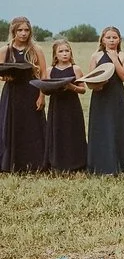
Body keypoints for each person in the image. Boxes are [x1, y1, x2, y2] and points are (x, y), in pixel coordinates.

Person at [85, 26, 124, 177]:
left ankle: (123, 166)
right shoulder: (95, 56)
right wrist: (97, 85)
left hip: (117, 97)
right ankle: (100, 167)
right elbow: (90, 81)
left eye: (114, 37)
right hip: (100, 97)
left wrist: (114, 59)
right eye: (108, 37)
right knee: (101, 130)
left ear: (119, 39)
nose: (111, 40)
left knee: (118, 128)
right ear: (102, 39)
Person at [0, 16, 48, 173]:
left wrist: (42, 96)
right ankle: (11, 164)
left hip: (32, 91)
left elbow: (43, 75)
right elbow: (1, 73)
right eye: (20, 30)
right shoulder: (5, 50)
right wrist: (5, 76)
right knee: (11, 127)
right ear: (13, 31)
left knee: (33, 128)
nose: (23, 33)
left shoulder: (36, 50)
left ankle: (35, 164)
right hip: (12, 93)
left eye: (26, 30)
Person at [43, 40, 87, 172]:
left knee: (72, 131)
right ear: (55, 55)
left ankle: (77, 163)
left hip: (72, 106)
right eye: (61, 51)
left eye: (67, 51)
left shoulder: (76, 69)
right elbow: (45, 89)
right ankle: (57, 163)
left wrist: (71, 87)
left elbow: (83, 89)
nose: (64, 54)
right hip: (56, 106)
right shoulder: (50, 70)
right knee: (57, 132)